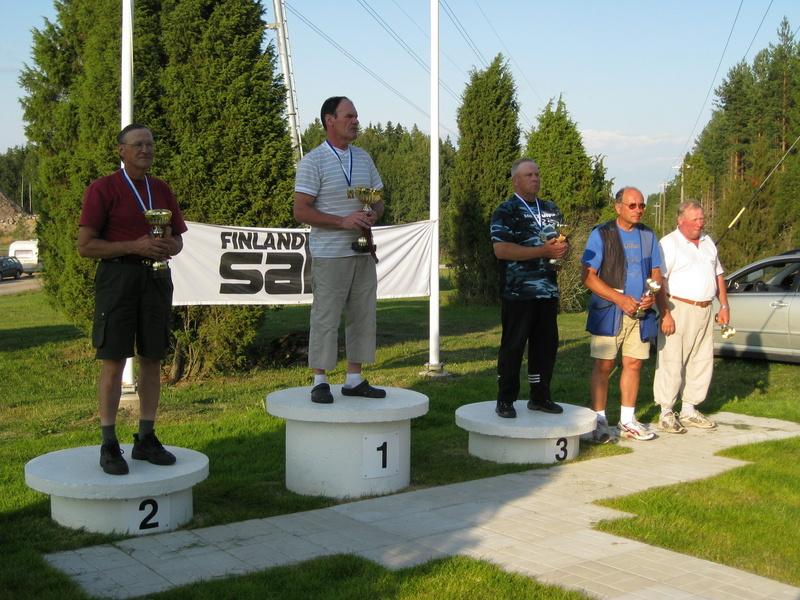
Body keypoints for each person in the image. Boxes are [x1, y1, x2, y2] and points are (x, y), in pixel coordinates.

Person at [78, 124, 187, 475]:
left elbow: (178, 241)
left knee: (152, 358)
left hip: (156, 279)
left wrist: (168, 245)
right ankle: (109, 443)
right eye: (138, 144)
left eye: (150, 144)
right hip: (118, 278)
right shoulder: (103, 189)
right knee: (114, 361)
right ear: (121, 151)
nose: (145, 150)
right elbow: (85, 246)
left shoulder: (161, 189)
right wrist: (134, 246)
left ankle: (146, 437)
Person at [294, 96, 386, 404]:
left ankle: (354, 378)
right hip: (330, 253)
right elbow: (301, 211)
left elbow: (378, 202)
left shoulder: (364, 158)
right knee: (326, 316)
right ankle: (320, 380)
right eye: (349, 116)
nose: (356, 121)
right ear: (329, 120)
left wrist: (373, 214)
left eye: (356, 116)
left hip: (361, 251)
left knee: (363, 314)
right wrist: (342, 221)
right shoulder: (313, 161)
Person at [581, 187, 663, 442]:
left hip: (640, 313)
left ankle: (628, 421)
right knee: (604, 365)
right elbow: (588, 277)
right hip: (610, 312)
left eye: (642, 205)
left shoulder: (648, 235)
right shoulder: (601, 234)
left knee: (634, 364)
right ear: (618, 207)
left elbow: (656, 272)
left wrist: (652, 294)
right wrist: (619, 299)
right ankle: (599, 421)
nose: (639, 210)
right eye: (632, 205)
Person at [490, 158, 569, 418]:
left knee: (545, 347)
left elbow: (560, 241)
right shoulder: (506, 210)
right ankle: (506, 399)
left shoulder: (551, 209)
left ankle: (540, 396)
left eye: (537, 174)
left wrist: (561, 251)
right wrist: (542, 251)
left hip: (547, 290)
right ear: (516, 181)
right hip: (518, 292)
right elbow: (501, 250)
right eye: (528, 175)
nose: (535, 178)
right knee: (513, 347)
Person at [653, 201, 728, 432]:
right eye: (695, 219)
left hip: (705, 308)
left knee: (701, 359)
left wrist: (724, 305)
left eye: (702, 219)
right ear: (681, 220)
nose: (700, 223)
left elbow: (718, 275)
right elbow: (659, 280)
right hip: (678, 307)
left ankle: (689, 409)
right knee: (672, 359)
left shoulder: (708, 242)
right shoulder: (669, 243)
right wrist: (665, 313)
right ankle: (666, 411)